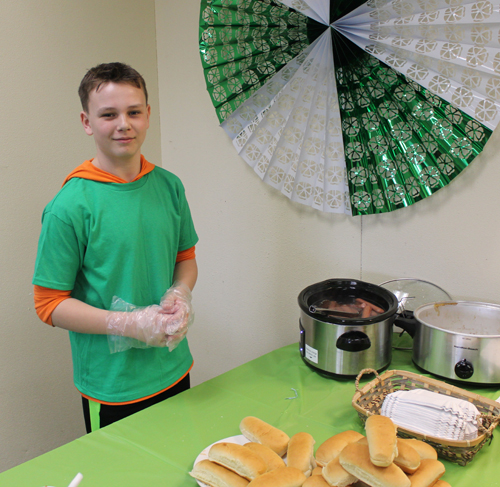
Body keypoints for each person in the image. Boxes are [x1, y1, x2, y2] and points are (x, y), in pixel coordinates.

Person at [32, 62, 198, 433]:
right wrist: (127, 323)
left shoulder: (169, 187)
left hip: (172, 368)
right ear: (87, 122)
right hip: (112, 387)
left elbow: (185, 260)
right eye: (109, 114)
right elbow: (48, 304)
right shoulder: (70, 206)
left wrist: (181, 292)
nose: (124, 124)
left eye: (133, 111)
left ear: (148, 115)